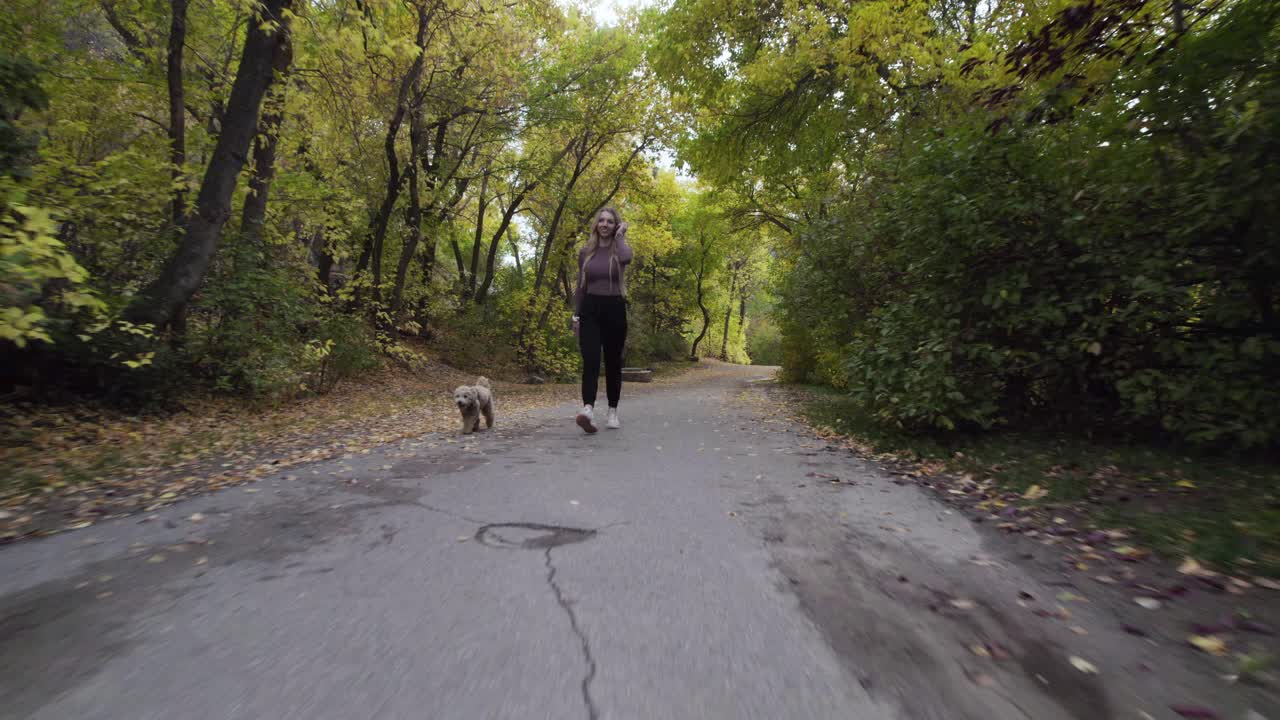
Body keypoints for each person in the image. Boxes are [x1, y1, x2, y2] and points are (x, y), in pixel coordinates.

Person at [572, 207, 633, 433]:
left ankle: (612, 411)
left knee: (613, 362)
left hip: (614, 308)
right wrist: (576, 314)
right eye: (601, 221)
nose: (605, 224)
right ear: (596, 224)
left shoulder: (620, 249)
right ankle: (588, 409)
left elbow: (628, 258)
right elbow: (580, 286)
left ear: (615, 225)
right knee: (590, 359)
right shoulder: (586, 251)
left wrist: (621, 235)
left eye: (610, 221)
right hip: (589, 309)